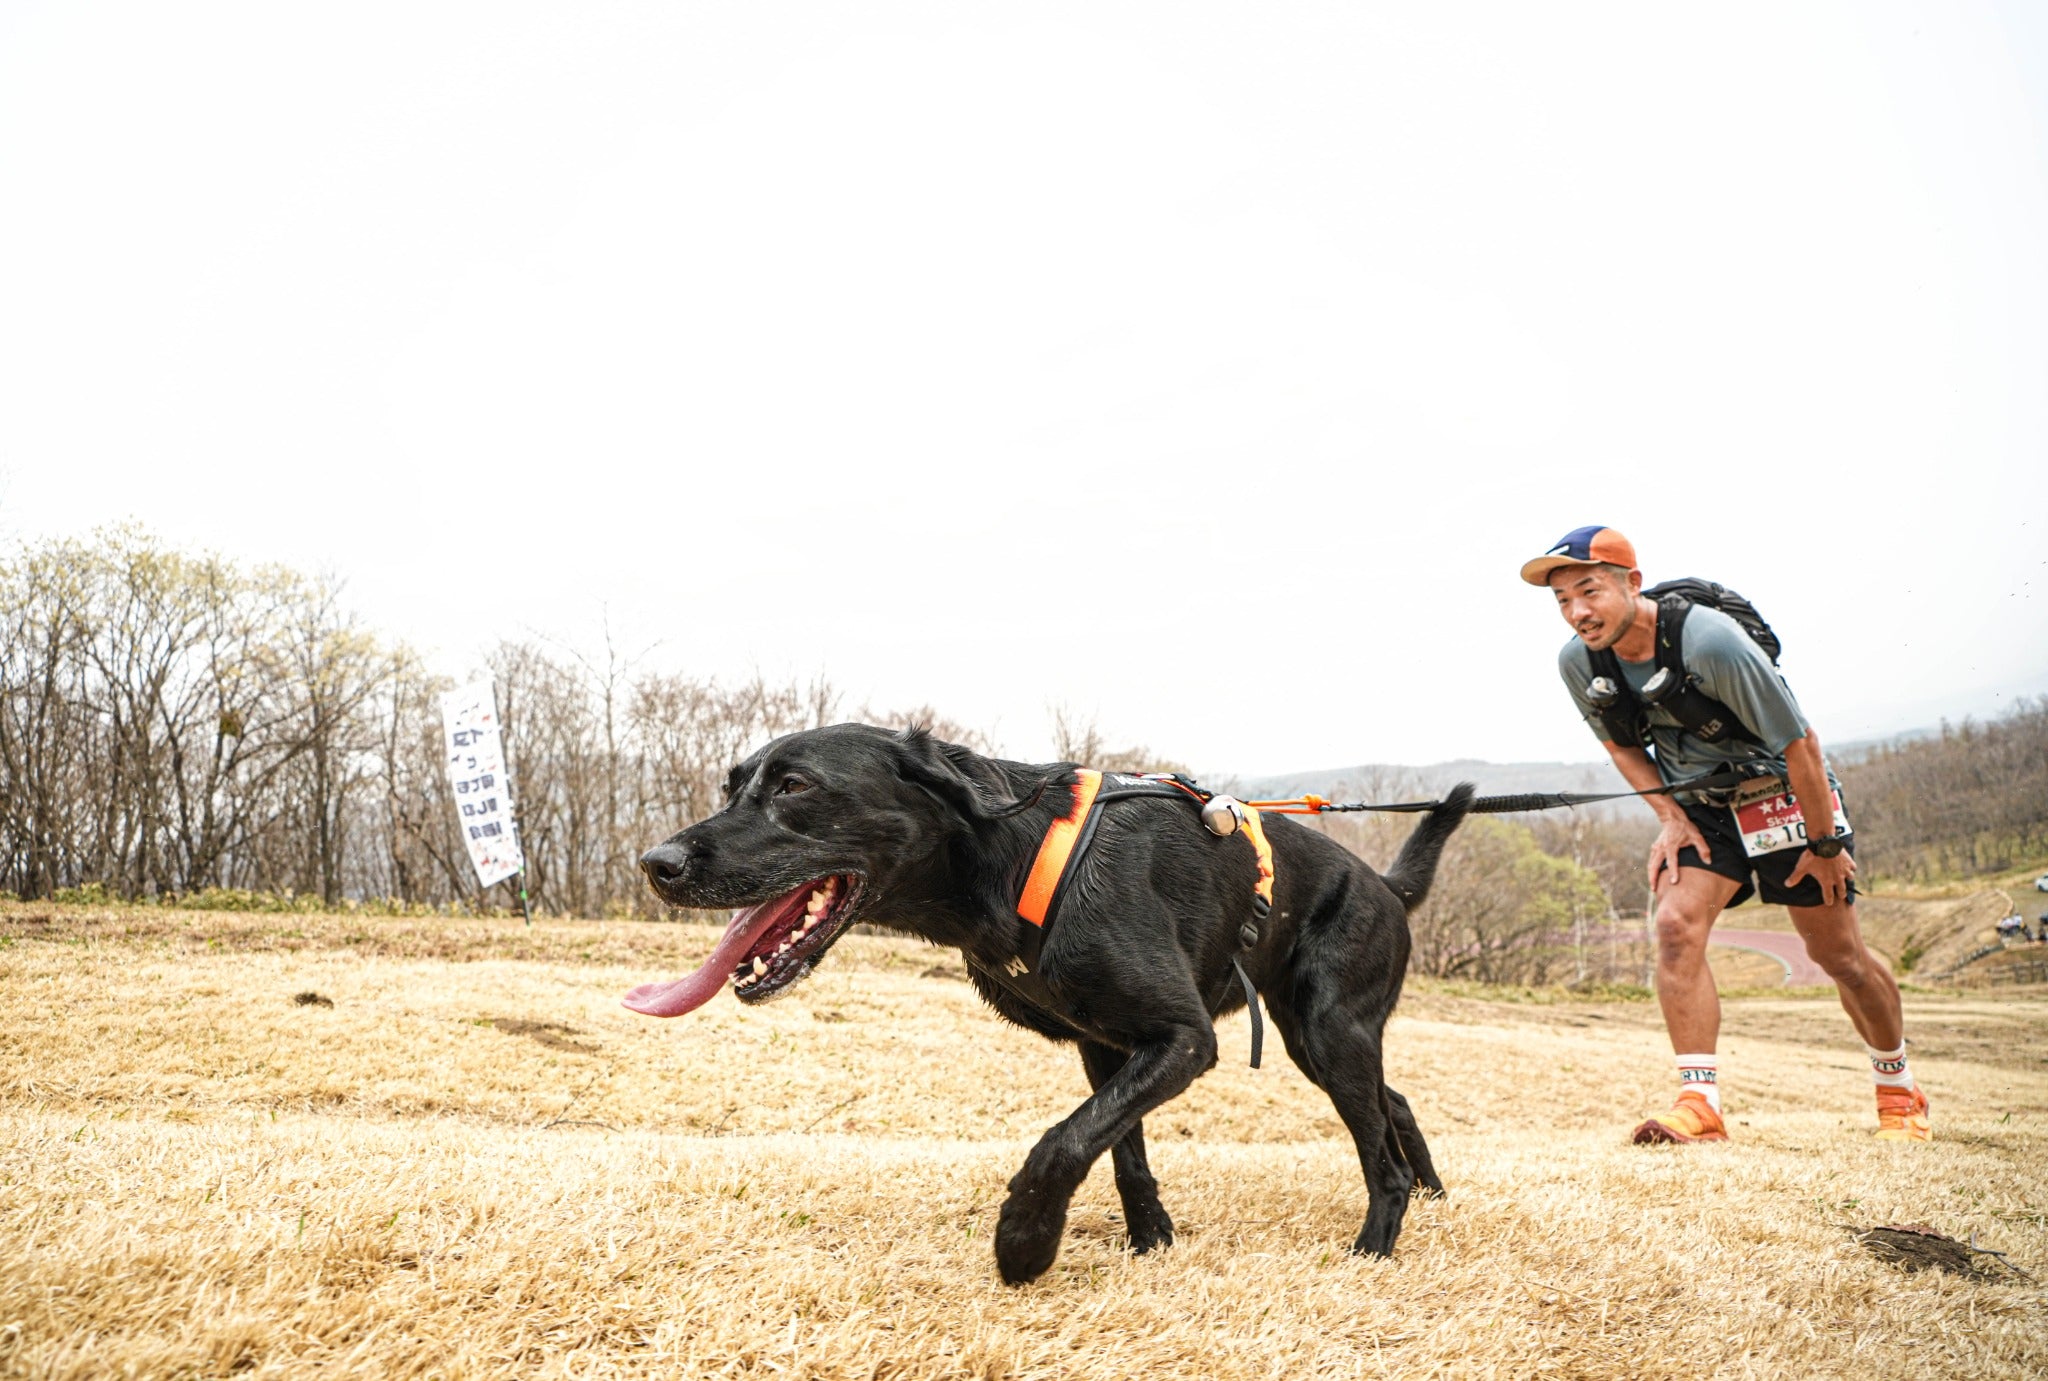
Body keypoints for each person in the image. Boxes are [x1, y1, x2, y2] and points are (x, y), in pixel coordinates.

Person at [1522, 526, 1930, 1143]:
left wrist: (1824, 846)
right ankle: (1700, 1104)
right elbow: (1621, 746)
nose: (1577, 612)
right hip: (1701, 805)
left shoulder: (1711, 642)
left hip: (1783, 794)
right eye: (1562, 601)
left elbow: (1803, 746)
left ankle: (1899, 1091)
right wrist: (1670, 818)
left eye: (1590, 591)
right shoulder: (1578, 661)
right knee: (1674, 927)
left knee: (1837, 956)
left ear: (1631, 583)